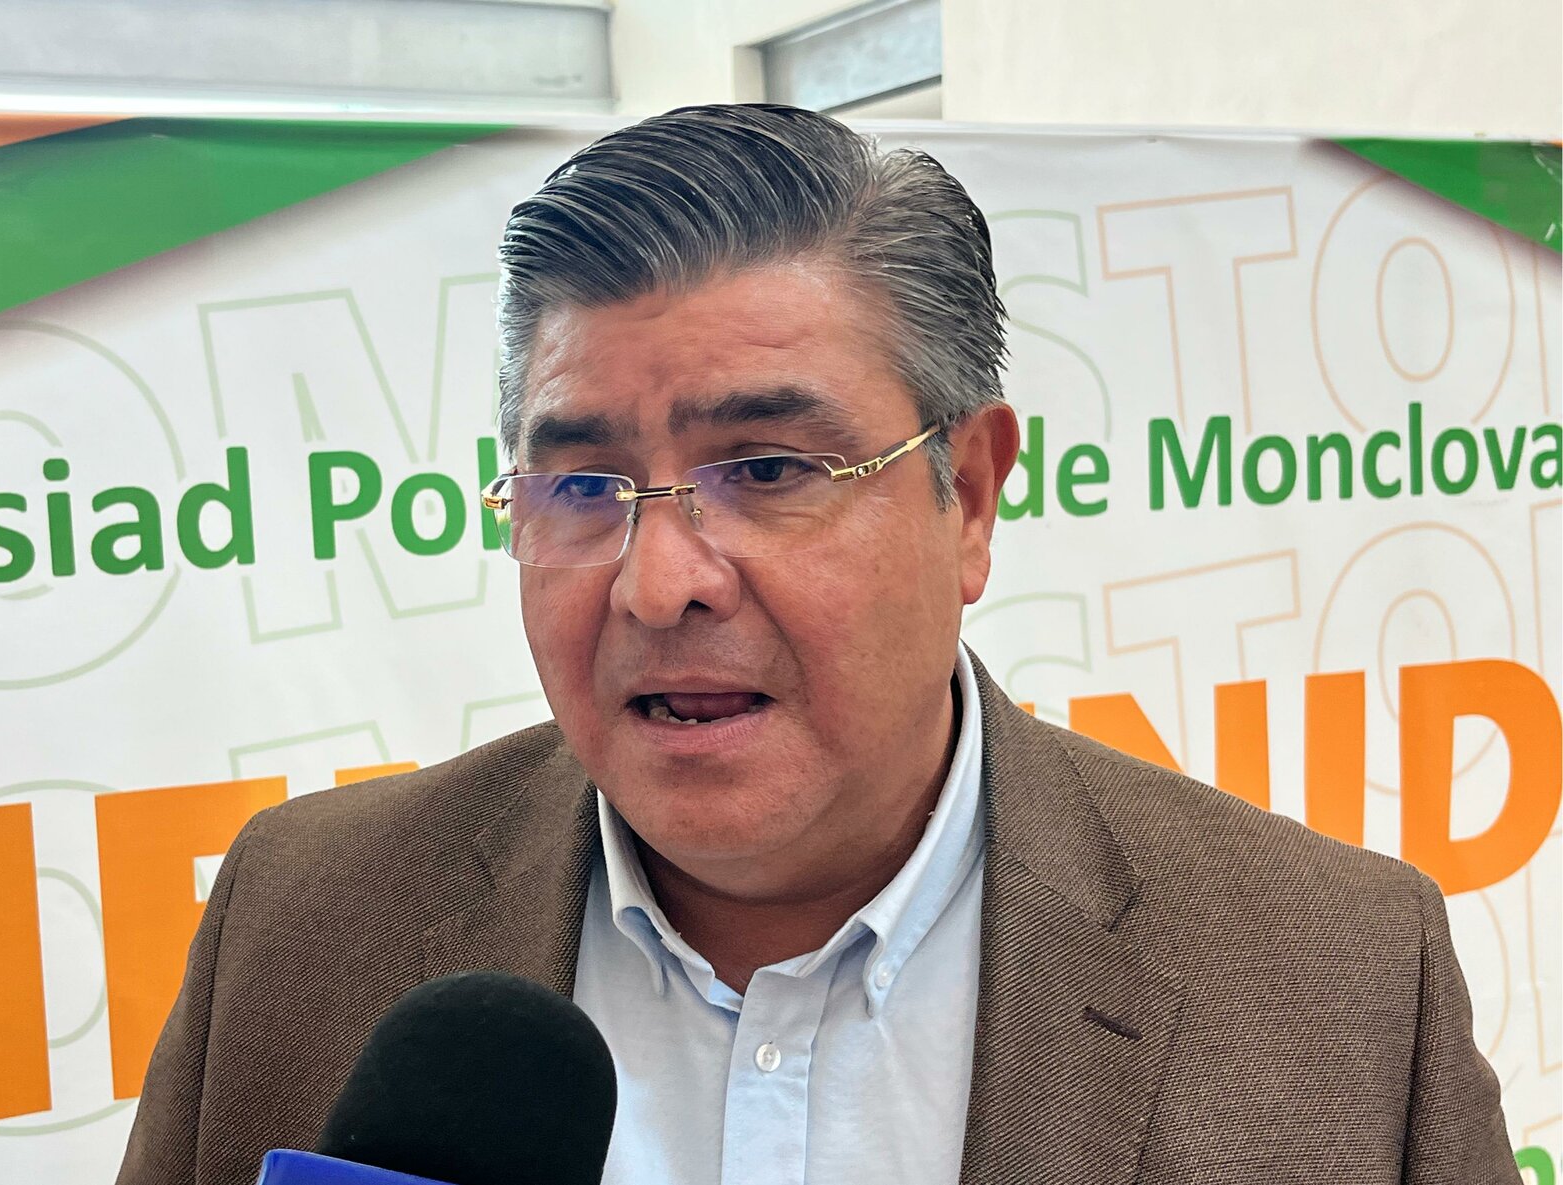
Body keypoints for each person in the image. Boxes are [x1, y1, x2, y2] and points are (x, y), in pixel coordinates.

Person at [116, 104, 1518, 1185]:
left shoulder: (1333, 974)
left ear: (970, 495)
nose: (659, 583)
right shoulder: (301, 917)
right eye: (585, 483)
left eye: (771, 469)